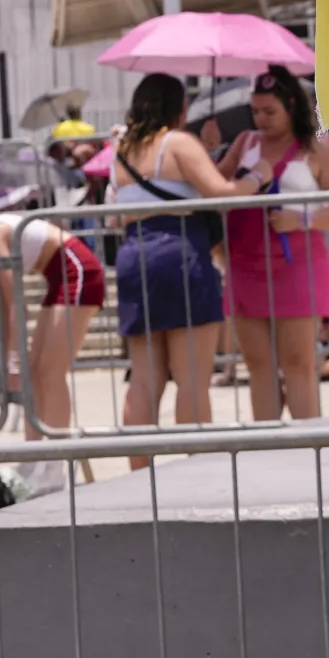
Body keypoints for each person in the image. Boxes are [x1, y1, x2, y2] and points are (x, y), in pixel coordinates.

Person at [110, 73, 271, 462]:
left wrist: (208, 154)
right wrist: (258, 175)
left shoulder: (122, 151)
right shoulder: (179, 142)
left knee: (144, 380)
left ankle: (139, 475)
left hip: (135, 254)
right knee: (192, 379)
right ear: (179, 107)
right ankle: (196, 470)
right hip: (180, 252)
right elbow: (220, 193)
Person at [221, 67, 329, 421]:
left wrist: (304, 219)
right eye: (255, 111)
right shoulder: (244, 144)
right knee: (259, 365)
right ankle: (269, 452)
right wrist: (206, 150)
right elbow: (215, 188)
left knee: (299, 364)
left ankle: (309, 453)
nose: (261, 119)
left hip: (298, 264)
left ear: (292, 106)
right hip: (245, 262)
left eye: (269, 111)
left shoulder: (315, 150)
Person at [0, 212, 104, 440]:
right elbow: (5, 306)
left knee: (51, 372)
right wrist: (6, 362)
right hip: (58, 274)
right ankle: (35, 454)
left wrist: (11, 362)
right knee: (34, 372)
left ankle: (56, 459)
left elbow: (16, 304)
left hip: (77, 269)